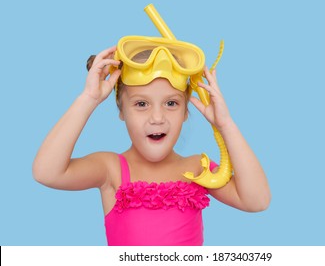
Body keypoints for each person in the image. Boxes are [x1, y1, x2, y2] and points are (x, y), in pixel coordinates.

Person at [33, 40, 271, 246]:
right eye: (141, 104)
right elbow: (47, 172)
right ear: (121, 110)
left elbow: (257, 200)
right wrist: (88, 99)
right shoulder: (111, 169)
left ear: (186, 110)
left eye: (171, 103)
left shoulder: (197, 168)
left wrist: (226, 125)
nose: (157, 118)